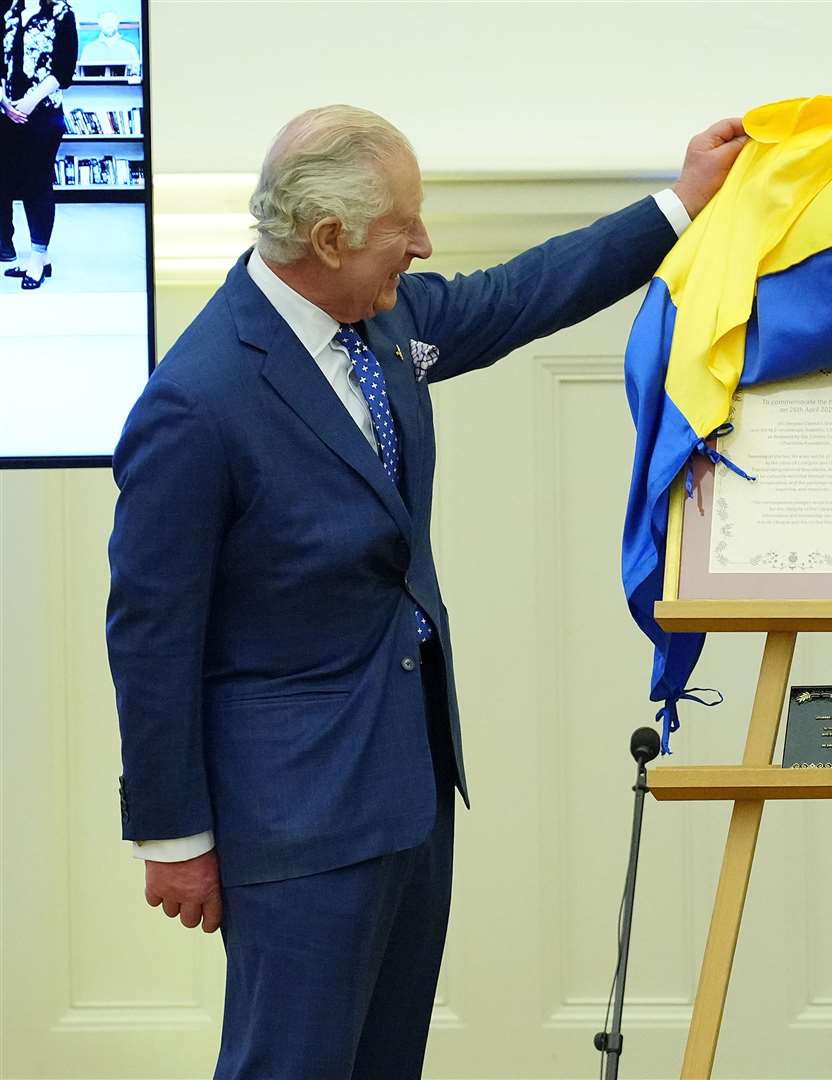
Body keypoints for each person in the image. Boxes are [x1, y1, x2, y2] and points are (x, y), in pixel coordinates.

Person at [106, 104, 745, 1078]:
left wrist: (682, 202)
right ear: (328, 239)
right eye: (404, 224)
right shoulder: (198, 402)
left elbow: (520, 294)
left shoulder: (384, 319)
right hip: (297, 819)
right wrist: (173, 835)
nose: (425, 242)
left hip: (408, 789)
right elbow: (150, 633)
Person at [0, 0, 76, 287]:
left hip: (43, 113)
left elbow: (64, 70)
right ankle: (41, 259)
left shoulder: (62, 12)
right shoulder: (8, 9)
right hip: (8, 112)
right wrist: (4, 101)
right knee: (15, 182)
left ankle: (37, 259)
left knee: (38, 185)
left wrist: (30, 101)